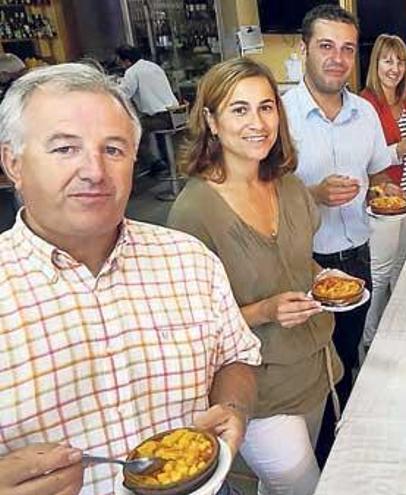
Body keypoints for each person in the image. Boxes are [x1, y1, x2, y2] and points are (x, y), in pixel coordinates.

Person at [0, 63, 260, 495]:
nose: (94, 172)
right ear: (13, 163)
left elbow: (236, 357)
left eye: (114, 150)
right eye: (65, 149)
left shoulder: (188, 260)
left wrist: (232, 407)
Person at [167, 58, 340, 495]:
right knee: (304, 485)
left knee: (283, 483)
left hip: (314, 365)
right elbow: (193, 328)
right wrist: (265, 310)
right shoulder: (193, 212)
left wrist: (325, 277)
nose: (257, 122)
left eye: (266, 107)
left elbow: (299, 263)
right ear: (210, 120)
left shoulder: (288, 185)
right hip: (257, 387)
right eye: (239, 109)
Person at [281, 4, 403, 434]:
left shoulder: (365, 113)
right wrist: (312, 195)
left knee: (348, 351)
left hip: (356, 254)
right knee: (314, 365)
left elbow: (377, 171)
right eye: (326, 46)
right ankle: (316, 452)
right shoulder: (278, 115)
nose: (337, 58)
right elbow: (262, 195)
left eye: (347, 49)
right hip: (302, 260)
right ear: (304, 49)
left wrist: (384, 188)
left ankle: (348, 436)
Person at [359, 34, 406, 355]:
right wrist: (405, 145)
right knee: (379, 274)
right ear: (376, 63)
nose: (395, 68)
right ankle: (370, 340)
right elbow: (369, 160)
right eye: (388, 60)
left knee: (404, 269)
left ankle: (398, 330)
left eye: (401, 61)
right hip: (386, 203)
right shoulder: (365, 104)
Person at [116, 44, 179, 174]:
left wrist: (114, 86)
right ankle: (167, 163)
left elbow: (123, 93)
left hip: (161, 118)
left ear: (127, 61)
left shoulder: (132, 71)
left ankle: (153, 163)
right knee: (148, 125)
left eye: (121, 61)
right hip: (175, 114)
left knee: (133, 130)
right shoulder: (153, 66)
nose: (121, 65)